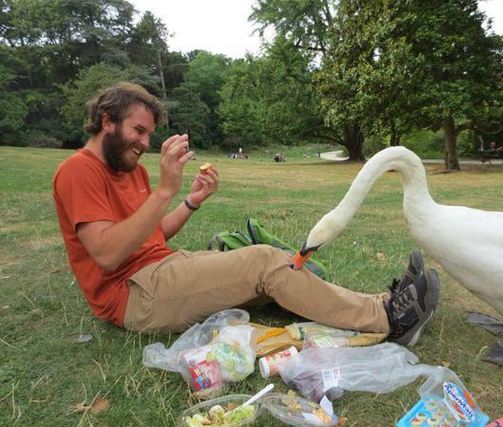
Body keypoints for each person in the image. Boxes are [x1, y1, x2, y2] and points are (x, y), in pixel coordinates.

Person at [53, 82, 440, 347]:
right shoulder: (79, 170)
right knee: (262, 262)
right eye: (138, 131)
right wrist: (166, 190)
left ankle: (380, 301)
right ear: (107, 121)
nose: (145, 143)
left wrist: (190, 202)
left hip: (161, 268)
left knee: (269, 267)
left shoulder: (131, 170)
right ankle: (390, 320)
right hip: (132, 296)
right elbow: (106, 254)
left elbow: (151, 237)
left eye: (149, 134)